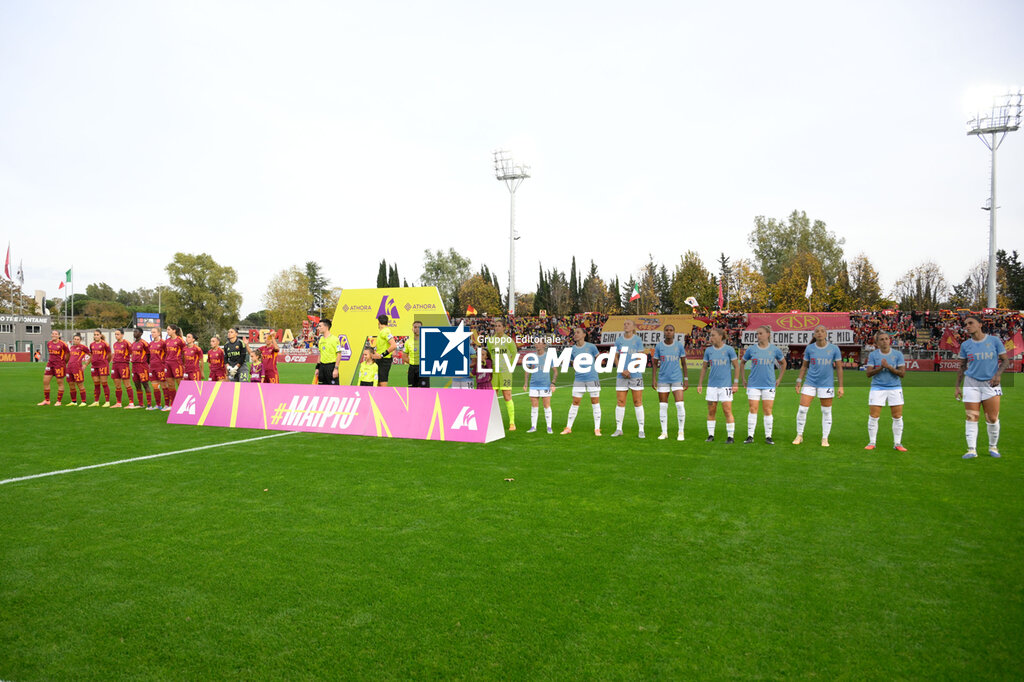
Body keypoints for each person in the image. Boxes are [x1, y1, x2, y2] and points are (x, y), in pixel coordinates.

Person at [955, 315, 1008, 459]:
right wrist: (957, 386)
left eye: (970, 323)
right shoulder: (965, 345)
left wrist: (998, 375)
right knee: (971, 416)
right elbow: (962, 366)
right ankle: (971, 450)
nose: (967, 326)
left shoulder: (994, 341)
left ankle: (993, 447)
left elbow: (1005, 361)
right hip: (971, 383)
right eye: (966, 324)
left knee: (992, 418)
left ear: (980, 324)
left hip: (991, 383)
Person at [793, 325, 844, 447]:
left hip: (826, 384)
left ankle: (825, 438)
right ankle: (799, 435)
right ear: (814, 335)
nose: (820, 333)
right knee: (802, 409)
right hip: (810, 382)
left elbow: (839, 368)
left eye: (822, 331)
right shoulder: (810, 348)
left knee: (826, 411)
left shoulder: (834, 349)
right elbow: (804, 366)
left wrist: (841, 386)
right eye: (817, 331)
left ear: (826, 334)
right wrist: (799, 380)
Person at [742, 324, 786, 445]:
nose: (758, 335)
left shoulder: (774, 349)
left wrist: (779, 379)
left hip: (769, 384)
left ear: (768, 334)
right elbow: (742, 362)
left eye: (761, 333)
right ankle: (750, 436)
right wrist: (743, 378)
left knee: (767, 410)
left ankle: (768, 436)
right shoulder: (751, 349)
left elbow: (783, 363)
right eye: (757, 333)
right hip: (753, 384)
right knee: (753, 409)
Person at [864, 330, 907, 451]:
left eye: (886, 339)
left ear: (890, 340)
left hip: (895, 388)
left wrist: (888, 367)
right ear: (877, 343)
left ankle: (897, 443)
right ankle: (872, 442)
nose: (885, 341)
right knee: (874, 416)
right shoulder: (873, 355)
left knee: (897, 416)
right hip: (877, 388)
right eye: (881, 339)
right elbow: (868, 373)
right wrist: (880, 368)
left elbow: (902, 374)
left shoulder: (898, 354)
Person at [697, 328, 740, 443]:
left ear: (720, 336)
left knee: (727, 410)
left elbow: (736, 366)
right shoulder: (708, 351)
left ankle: (730, 436)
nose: (710, 338)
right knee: (711, 411)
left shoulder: (729, 350)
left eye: (713, 335)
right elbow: (704, 368)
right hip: (712, 386)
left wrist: (736, 382)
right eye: (710, 335)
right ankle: (710, 435)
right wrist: (700, 383)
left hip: (725, 386)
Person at [561, 327, 603, 436]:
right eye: (575, 333)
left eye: (578, 332)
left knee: (595, 402)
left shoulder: (591, 347)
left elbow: (599, 359)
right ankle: (568, 427)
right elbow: (572, 362)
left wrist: (594, 369)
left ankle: (597, 429)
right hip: (579, 379)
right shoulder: (572, 349)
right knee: (575, 402)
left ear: (584, 335)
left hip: (592, 378)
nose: (575, 334)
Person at [652, 323, 688, 440]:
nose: (668, 332)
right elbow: (654, 364)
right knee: (663, 406)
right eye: (666, 330)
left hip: (677, 378)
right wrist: (653, 379)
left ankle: (681, 432)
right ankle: (664, 432)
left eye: (671, 330)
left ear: (674, 332)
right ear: (664, 332)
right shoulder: (659, 346)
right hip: (663, 380)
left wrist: (686, 379)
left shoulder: (679, 346)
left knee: (680, 405)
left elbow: (684, 363)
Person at [612, 319, 646, 438]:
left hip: (635, 375)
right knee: (620, 402)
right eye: (624, 324)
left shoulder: (637, 340)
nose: (626, 325)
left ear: (633, 327)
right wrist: (622, 370)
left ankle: (641, 430)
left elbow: (640, 357)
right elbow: (615, 356)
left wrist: (630, 369)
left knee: (638, 402)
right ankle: (619, 429)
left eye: (628, 324)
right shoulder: (619, 340)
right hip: (621, 375)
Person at [487, 319, 519, 430]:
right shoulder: (490, 341)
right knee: (493, 397)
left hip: (505, 372)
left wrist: (510, 367)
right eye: (496, 326)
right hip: (494, 373)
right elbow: (489, 355)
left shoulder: (509, 340)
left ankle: (512, 423)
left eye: (499, 325)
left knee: (507, 395)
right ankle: (493, 422)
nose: (497, 328)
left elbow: (514, 353)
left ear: (504, 327)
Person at [525, 340, 558, 434]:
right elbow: (527, 370)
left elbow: (555, 371)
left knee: (546, 406)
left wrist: (553, 383)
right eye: (536, 343)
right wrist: (526, 383)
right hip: (533, 385)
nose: (537, 345)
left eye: (540, 343)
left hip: (545, 385)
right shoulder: (531, 357)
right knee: (534, 407)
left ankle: (549, 427)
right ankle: (533, 427)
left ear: (544, 345)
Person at [39, 330, 70, 406]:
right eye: (53, 334)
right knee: (45, 381)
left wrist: (64, 363)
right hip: (50, 364)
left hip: (59, 365)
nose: (54, 335)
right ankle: (47, 400)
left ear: (59, 336)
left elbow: (68, 354)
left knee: (60, 382)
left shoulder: (63, 344)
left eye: (56, 334)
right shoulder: (49, 343)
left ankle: (59, 401)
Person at [111, 328, 135, 408]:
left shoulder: (126, 343)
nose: (116, 336)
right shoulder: (115, 344)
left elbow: (132, 352)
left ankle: (131, 403)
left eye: (118, 334)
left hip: (124, 365)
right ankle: (118, 403)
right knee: (117, 385)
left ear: (122, 335)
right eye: (115, 334)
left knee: (127, 384)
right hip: (115, 365)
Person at [128, 328, 151, 409]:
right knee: (137, 385)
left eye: (136, 332)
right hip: (134, 366)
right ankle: (140, 403)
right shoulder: (133, 344)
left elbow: (149, 354)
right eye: (134, 331)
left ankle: (149, 403)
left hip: (142, 366)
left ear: (141, 333)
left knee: (145, 384)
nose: (134, 333)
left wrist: (145, 363)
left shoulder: (144, 343)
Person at [88, 329, 112, 407]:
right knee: (96, 384)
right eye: (95, 335)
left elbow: (109, 355)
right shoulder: (91, 344)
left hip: (103, 365)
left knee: (104, 383)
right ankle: (96, 401)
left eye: (97, 335)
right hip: (94, 366)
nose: (96, 336)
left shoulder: (105, 344)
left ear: (100, 335)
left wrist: (106, 362)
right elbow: (91, 355)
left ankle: (107, 401)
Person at [66, 332, 90, 407]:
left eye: (78, 339)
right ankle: (74, 401)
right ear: (73, 340)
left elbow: (91, 355)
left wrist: (85, 364)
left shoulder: (83, 347)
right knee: (71, 384)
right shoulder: (71, 347)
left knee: (80, 384)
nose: (76, 340)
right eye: (75, 339)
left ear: (80, 340)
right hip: (69, 368)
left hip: (77, 368)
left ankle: (83, 402)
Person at [373, 314, 397, 387]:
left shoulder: (385, 331)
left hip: (384, 360)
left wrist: (382, 355)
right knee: (378, 382)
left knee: (382, 383)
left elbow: (394, 345)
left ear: (378, 322)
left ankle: (383, 394)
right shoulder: (383, 331)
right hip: (381, 360)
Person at [164, 324, 185, 404]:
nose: (167, 331)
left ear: (174, 331)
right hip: (168, 364)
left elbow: (184, 353)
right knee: (170, 384)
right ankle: (173, 403)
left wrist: (183, 364)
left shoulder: (180, 340)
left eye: (169, 329)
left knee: (180, 384)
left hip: (177, 364)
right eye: (167, 329)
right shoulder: (167, 341)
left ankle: (183, 402)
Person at [314, 319, 340, 386]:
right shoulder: (321, 339)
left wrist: (336, 369)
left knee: (334, 389)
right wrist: (317, 368)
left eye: (320, 326)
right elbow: (320, 354)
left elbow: (339, 355)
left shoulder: (335, 339)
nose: (318, 328)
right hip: (322, 367)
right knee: (321, 389)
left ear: (326, 327)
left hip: (331, 367)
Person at [148, 324, 167, 410]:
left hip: (160, 367)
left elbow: (167, 354)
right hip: (152, 367)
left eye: (154, 332)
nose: (152, 334)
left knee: (164, 386)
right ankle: (158, 405)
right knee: (155, 387)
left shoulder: (163, 343)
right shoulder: (151, 344)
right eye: (152, 332)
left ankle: (167, 404)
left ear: (159, 333)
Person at [405, 320, 428, 388]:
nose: (417, 329)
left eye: (419, 327)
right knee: (412, 391)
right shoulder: (408, 342)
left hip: (424, 369)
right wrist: (413, 364)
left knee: (425, 391)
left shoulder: (427, 340)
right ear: (412, 329)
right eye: (415, 327)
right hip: (412, 369)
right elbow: (404, 357)